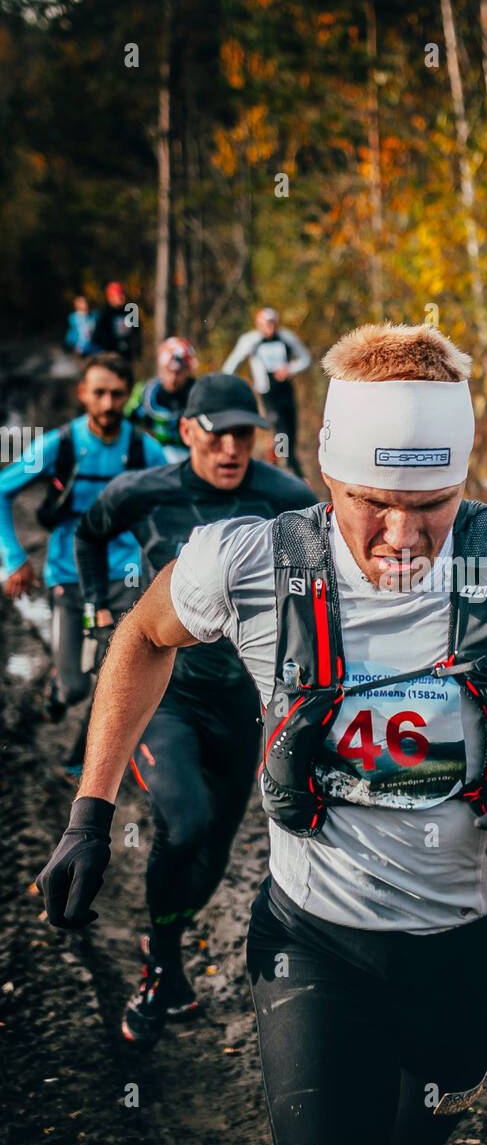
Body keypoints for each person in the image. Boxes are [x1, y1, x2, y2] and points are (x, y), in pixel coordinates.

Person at [37, 323, 487, 1145]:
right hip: (316, 943)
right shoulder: (254, 560)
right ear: (328, 479)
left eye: (432, 503)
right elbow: (143, 636)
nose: (400, 536)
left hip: (472, 950)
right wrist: (91, 811)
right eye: (371, 502)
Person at [70, 373, 317, 1044]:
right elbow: (88, 534)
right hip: (168, 694)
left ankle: (163, 948)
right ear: (186, 432)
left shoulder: (286, 497)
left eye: (245, 433)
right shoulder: (144, 490)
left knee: (214, 847)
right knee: (184, 820)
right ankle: (161, 971)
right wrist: (99, 615)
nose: (233, 447)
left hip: (250, 703)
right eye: (218, 433)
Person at [0, 353, 165, 772]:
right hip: (69, 578)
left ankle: (86, 761)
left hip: (127, 579)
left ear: (128, 396)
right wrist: (14, 559)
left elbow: (178, 494)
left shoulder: (143, 448)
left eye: (116, 394)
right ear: (83, 394)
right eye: (99, 393)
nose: (108, 403)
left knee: (115, 679)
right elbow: (2, 490)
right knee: (75, 684)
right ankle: (57, 694)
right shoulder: (61, 444)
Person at [222, 307, 311, 476]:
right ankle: (282, 462)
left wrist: (289, 369)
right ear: (258, 324)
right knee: (279, 426)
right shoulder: (251, 340)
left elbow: (305, 358)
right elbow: (233, 362)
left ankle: (288, 460)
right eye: (266, 324)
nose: (269, 328)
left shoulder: (286, 337)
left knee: (290, 429)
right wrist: (225, 384)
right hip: (267, 392)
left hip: (286, 390)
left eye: (272, 324)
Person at [126, 336, 198, 461]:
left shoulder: (199, 393)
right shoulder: (145, 393)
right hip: (154, 454)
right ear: (160, 368)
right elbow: (126, 420)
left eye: (179, 372)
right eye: (168, 371)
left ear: (188, 370)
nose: (173, 377)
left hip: (191, 454)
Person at [93, 282, 141, 365]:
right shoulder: (105, 314)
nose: (122, 297)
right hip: (111, 355)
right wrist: (109, 350)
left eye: (123, 294)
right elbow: (98, 335)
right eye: (119, 295)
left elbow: (136, 333)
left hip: (127, 354)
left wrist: (136, 350)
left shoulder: (131, 311)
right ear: (111, 297)